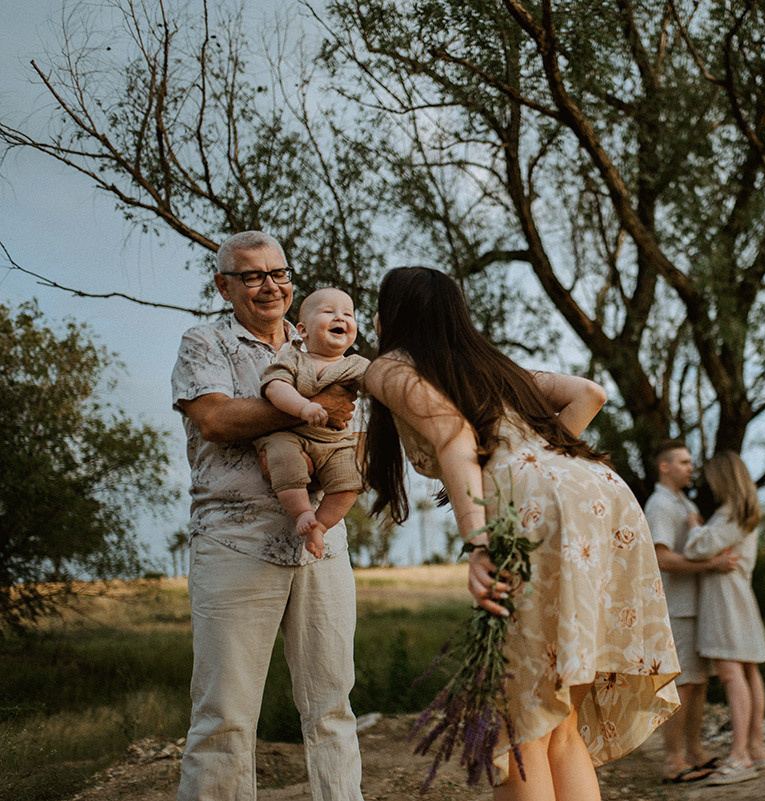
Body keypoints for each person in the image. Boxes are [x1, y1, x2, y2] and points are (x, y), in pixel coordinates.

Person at [361, 266, 680, 801]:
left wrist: (480, 540)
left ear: (391, 315)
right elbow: (589, 393)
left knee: (522, 726)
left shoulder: (388, 368)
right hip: (599, 495)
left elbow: (454, 435)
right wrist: (540, 460)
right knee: (558, 719)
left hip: (533, 513)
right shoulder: (491, 366)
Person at [171, 231, 363, 801]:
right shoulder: (205, 341)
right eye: (252, 276)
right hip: (234, 542)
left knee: (332, 707)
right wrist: (315, 410)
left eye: (278, 273)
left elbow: (354, 425)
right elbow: (217, 420)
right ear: (223, 285)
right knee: (224, 717)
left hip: (320, 544)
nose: (269, 286)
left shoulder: (322, 344)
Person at [643, 440, 738, 783]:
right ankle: (672, 761)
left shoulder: (683, 502)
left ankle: (694, 752)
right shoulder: (660, 505)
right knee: (682, 684)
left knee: (698, 683)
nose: (690, 467)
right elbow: (661, 558)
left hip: (695, 605)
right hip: (676, 608)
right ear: (664, 467)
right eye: (683, 462)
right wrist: (712, 563)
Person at [255, 287, 369, 559]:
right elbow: (275, 387)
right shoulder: (293, 359)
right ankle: (302, 512)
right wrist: (303, 407)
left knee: (351, 478)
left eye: (348, 314)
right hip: (291, 435)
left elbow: (383, 384)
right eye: (329, 312)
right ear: (303, 331)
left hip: (335, 443)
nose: (340, 318)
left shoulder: (357, 365)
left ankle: (321, 524)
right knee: (283, 458)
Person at [683, 450, 765, 786]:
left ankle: (740, 755)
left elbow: (697, 549)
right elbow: (711, 546)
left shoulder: (731, 513)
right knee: (748, 671)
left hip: (725, 600)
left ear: (724, 479)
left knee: (732, 674)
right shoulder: (741, 512)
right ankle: (756, 747)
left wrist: (694, 529)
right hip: (738, 596)